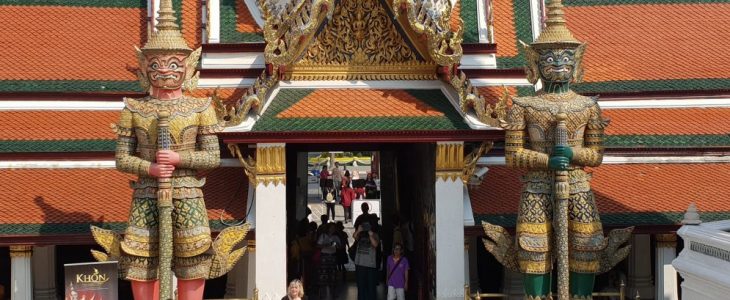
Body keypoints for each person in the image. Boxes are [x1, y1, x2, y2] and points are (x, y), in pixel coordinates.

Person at [89, 1, 246, 299]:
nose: (165, 70)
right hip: (147, 193)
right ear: (145, 66)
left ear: (188, 66)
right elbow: (121, 157)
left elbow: (212, 157)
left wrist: (178, 158)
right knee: (140, 262)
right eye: (157, 63)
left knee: (193, 262)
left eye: (174, 63)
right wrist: (150, 168)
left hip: (188, 193)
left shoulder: (201, 108)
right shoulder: (135, 109)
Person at [480, 2, 630, 299]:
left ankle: (580, 297)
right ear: (535, 64)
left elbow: (595, 155)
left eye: (565, 58)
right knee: (534, 248)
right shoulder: (524, 106)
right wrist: (547, 159)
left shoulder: (588, 107)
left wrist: (573, 155)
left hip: (577, 184)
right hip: (536, 185)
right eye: (550, 58)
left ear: (576, 63)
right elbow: (513, 155)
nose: (558, 65)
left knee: (587, 246)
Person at [353, 219, 380, 300]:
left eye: (367, 225)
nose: (366, 227)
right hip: (360, 264)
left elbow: (375, 244)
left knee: (371, 287)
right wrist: (358, 230)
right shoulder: (360, 235)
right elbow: (354, 236)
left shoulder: (374, 234)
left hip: (370, 265)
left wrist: (370, 234)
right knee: (361, 287)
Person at [316, 223, 341, 300]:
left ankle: (332, 293)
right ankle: (323, 294)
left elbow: (340, 247)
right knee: (323, 276)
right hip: (324, 257)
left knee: (332, 276)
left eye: (334, 228)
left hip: (333, 257)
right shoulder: (323, 236)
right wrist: (326, 244)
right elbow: (317, 245)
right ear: (328, 228)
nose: (333, 229)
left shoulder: (336, 237)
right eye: (331, 228)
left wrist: (337, 245)